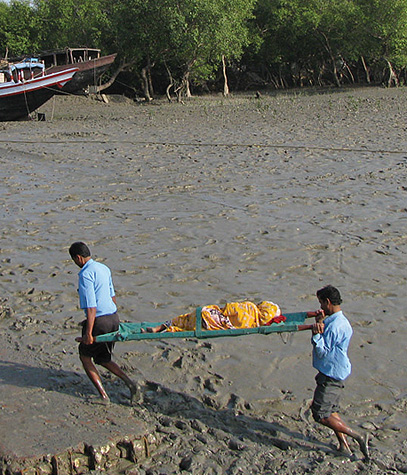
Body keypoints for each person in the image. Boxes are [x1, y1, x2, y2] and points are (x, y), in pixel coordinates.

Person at [69, 241, 140, 405]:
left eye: (74, 260)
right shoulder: (103, 268)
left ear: (78, 258)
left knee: (85, 356)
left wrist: (88, 332)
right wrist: (114, 319)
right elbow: (112, 296)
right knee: (102, 359)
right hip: (113, 318)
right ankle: (131, 384)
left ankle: (103, 396)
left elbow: (91, 306)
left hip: (99, 321)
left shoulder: (85, 274)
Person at [310, 285, 369, 460]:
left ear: (328, 302)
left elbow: (322, 351)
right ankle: (344, 445)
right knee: (332, 411)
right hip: (334, 371)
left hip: (332, 374)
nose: (320, 307)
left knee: (320, 414)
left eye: (321, 303)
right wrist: (321, 322)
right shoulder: (339, 321)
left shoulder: (335, 326)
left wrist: (316, 334)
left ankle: (358, 436)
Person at [143, 300, 285, 333]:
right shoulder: (253, 324)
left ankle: (160, 327)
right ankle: (169, 330)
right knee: (186, 330)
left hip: (206, 313)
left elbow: (229, 307)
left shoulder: (249, 307)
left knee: (182, 319)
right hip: (211, 324)